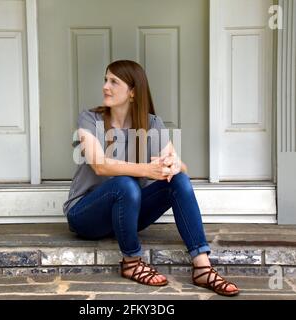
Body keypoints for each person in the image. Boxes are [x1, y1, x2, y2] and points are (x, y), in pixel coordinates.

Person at [63, 60, 239, 297]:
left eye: (114, 81)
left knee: (179, 180)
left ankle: (201, 267)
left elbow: (181, 166)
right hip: (86, 215)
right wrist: (147, 170)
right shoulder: (90, 119)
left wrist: (174, 165)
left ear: (133, 92)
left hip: (127, 214)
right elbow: (100, 165)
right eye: (106, 79)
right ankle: (132, 262)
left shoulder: (151, 124)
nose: (106, 86)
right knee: (125, 184)